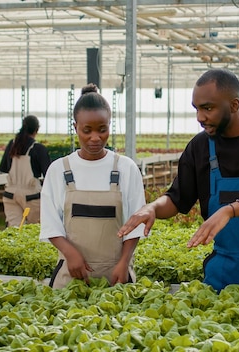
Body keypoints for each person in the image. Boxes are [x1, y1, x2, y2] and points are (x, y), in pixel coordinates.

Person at [118, 68, 239, 294]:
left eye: (208, 108)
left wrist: (231, 210)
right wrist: (152, 207)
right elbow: (177, 199)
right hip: (225, 268)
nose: (200, 117)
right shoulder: (200, 147)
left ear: (234, 105)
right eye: (196, 109)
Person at [40, 83, 146, 289]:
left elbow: (135, 223)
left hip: (117, 275)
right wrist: (70, 254)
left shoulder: (126, 168)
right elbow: (50, 223)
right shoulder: (59, 170)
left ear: (110, 125)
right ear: (75, 127)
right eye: (87, 130)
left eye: (102, 130)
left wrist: (124, 262)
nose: (95, 138)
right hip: (71, 274)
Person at [0, 115, 51, 228]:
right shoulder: (37, 148)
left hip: (10, 194)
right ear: (37, 129)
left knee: (15, 229)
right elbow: (48, 173)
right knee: (36, 229)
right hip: (31, 195)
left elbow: (3, 168)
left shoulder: (12, 145)